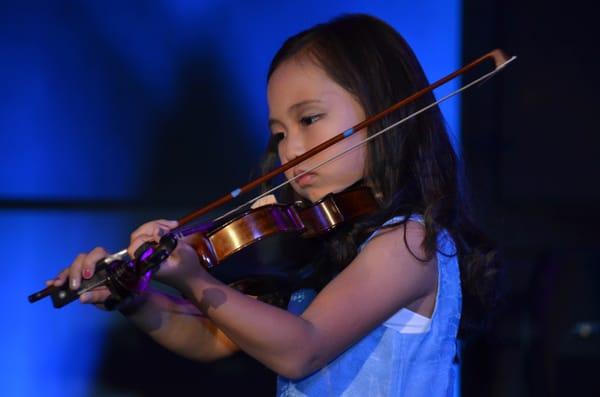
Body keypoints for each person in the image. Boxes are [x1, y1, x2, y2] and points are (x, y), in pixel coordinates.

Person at [49, 14, 497, 396]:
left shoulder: (409, 240)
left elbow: (301, 349)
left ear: (385, 109)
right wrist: (135, 297)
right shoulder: (326, 242)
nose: (290, 150)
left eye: (308, 119)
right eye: (280, 133)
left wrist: (191, 276)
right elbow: (213, 337)